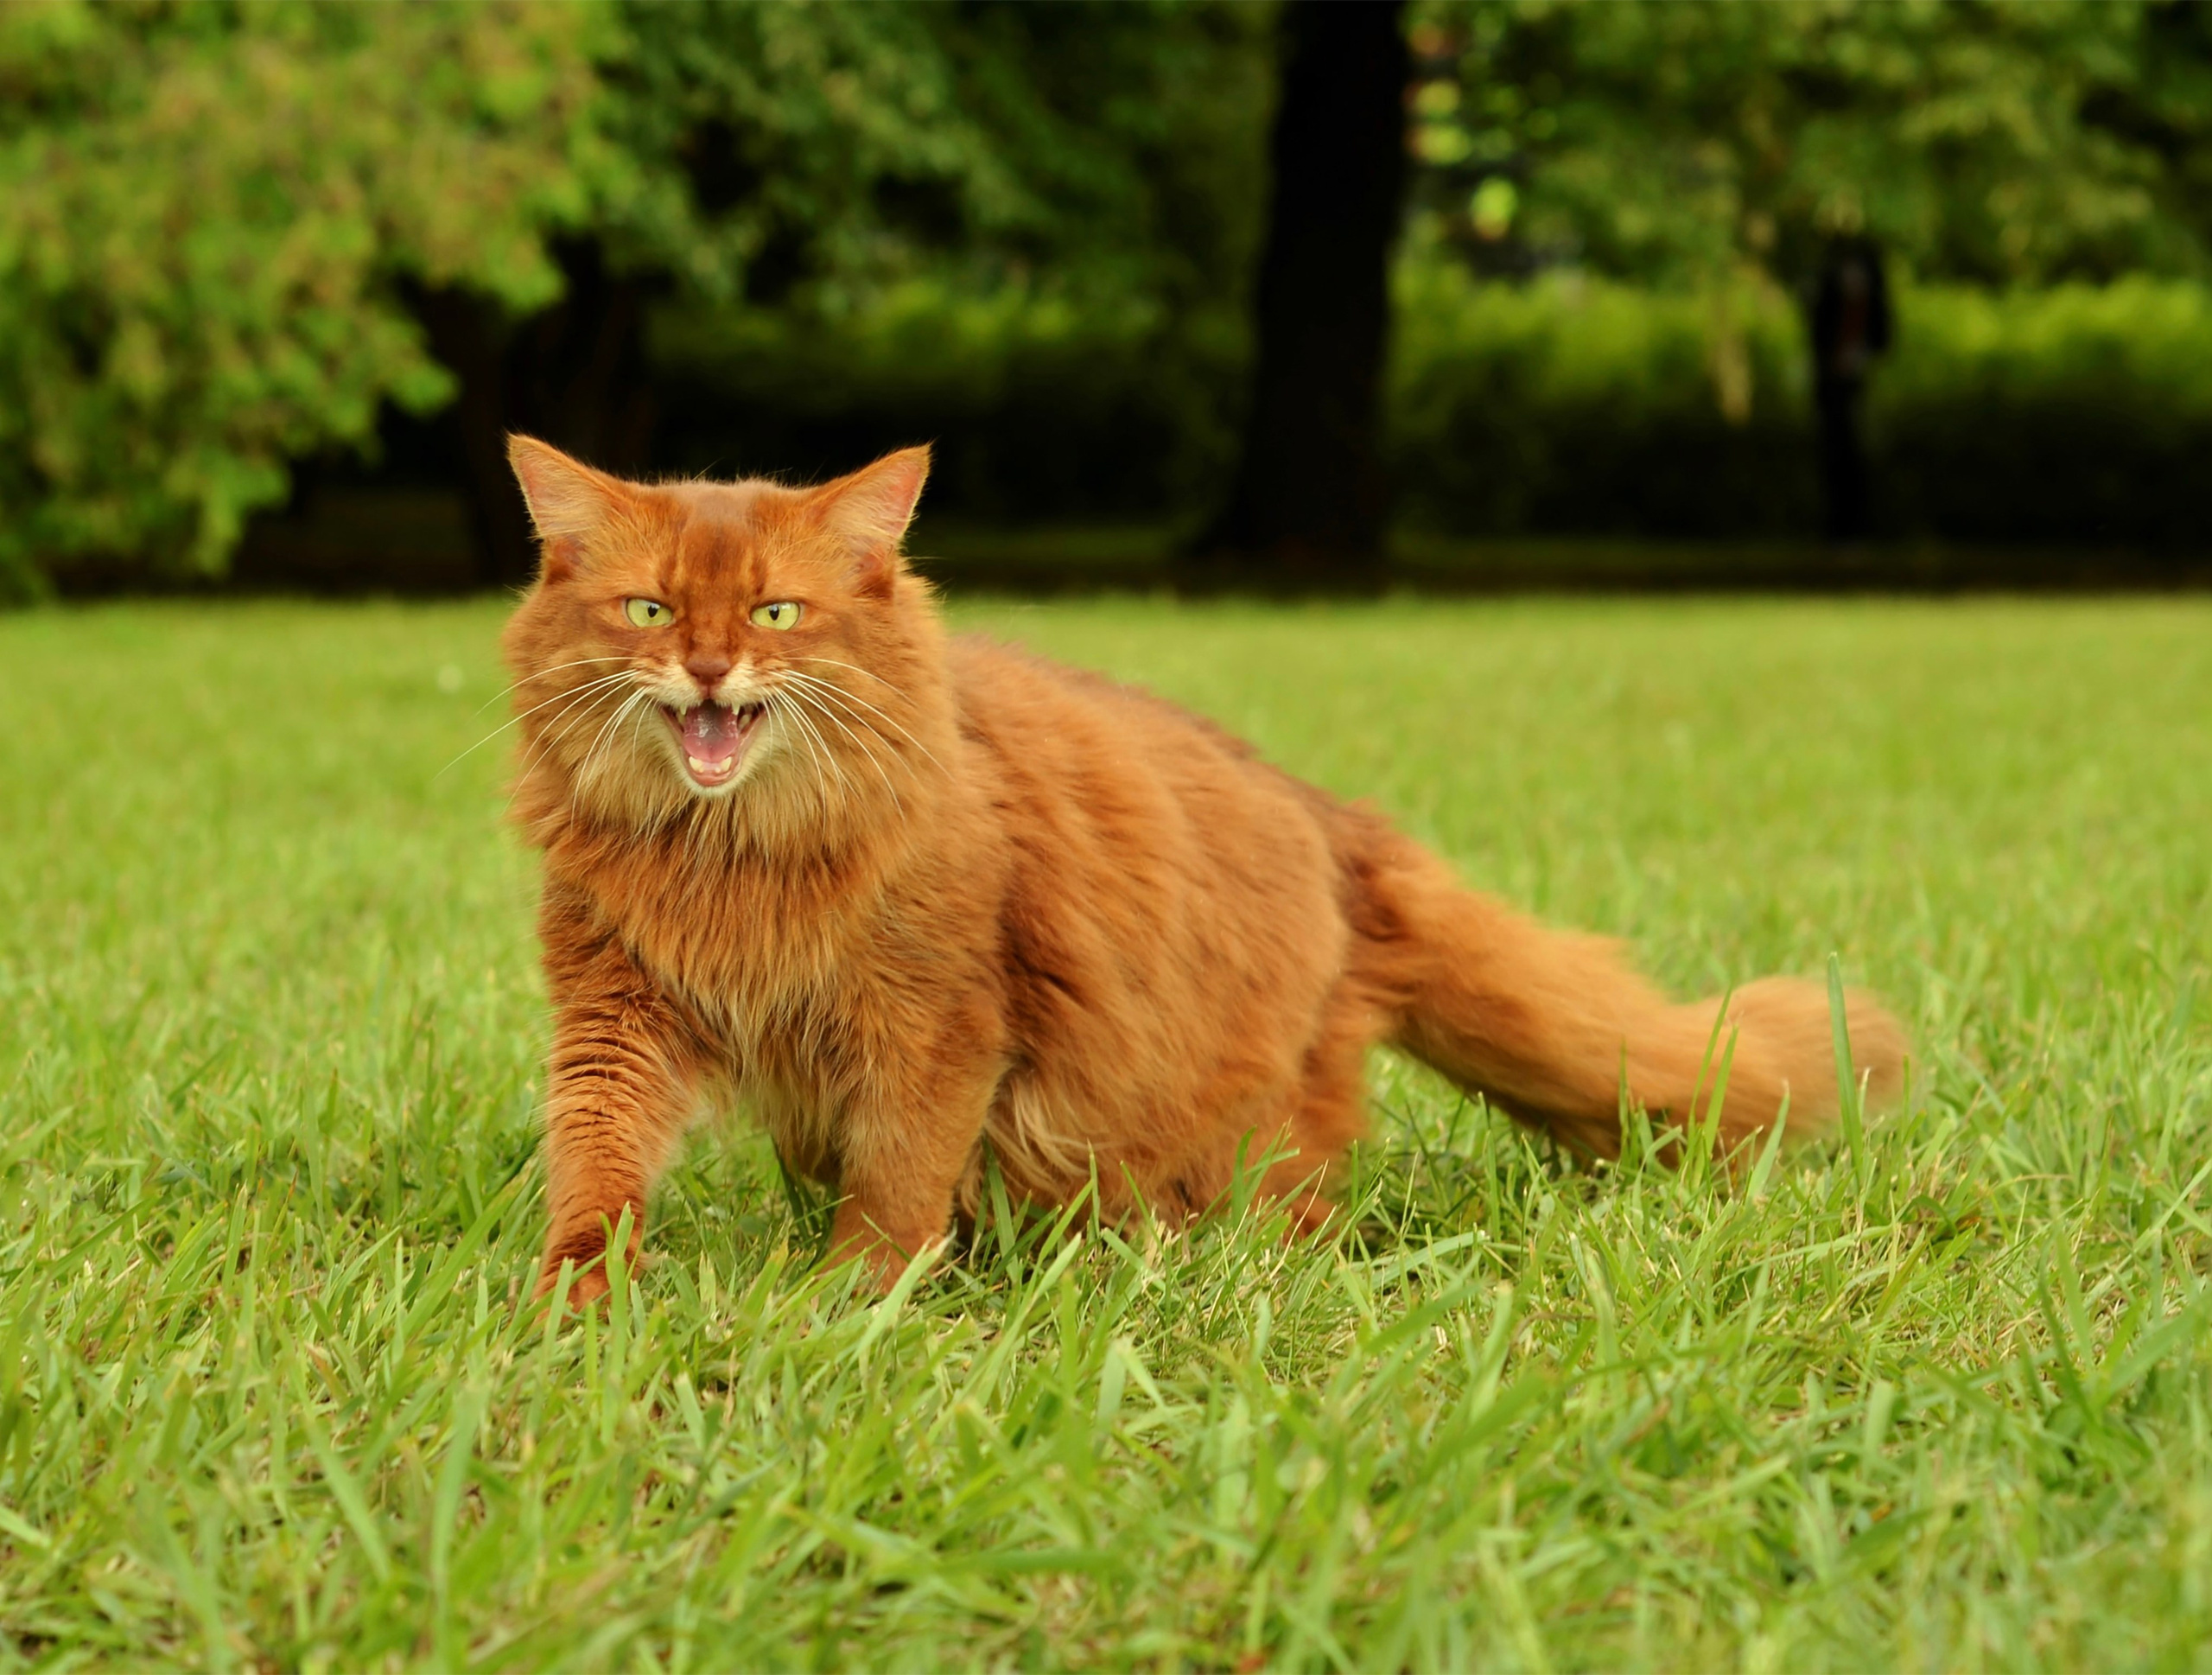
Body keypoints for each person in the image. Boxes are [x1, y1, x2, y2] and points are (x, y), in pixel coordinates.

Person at [1809, 237, 1892, 542]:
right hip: (1832, 391)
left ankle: (1863, 529)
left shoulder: (1874, 304)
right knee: (1834, 457)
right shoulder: (1827, 301)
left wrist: (1863, 356)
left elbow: (1884, 338)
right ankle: (1835, 531)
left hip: (1862, 389)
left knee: (1861, 456)